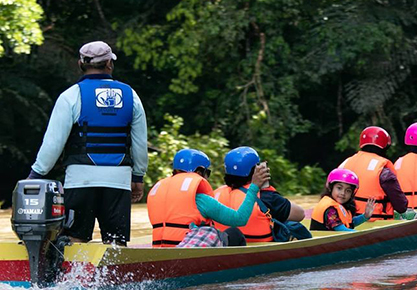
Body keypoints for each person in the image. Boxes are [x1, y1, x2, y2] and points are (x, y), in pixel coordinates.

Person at [26, 41, 148, 246]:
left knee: (75, 239)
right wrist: (138, 175)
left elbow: (53, 142)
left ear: (80, 64)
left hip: (80, 180)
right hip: (118, 180)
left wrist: (36, 175)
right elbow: (139, 142)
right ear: (109, 63)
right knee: (116, 243)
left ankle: (72, 278)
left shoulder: (71, 96)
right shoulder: (131, 95)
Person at [147, 148, 270, 247]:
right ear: (199, 172)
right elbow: (240, 219)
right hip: (188, 251)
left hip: (161, 247)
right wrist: (254, 187)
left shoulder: (159, 192)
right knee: (234, 233)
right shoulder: (200, 199)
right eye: (207, 173)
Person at [212, 146, 311, 243]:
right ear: (256, 171)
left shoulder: (215, 194)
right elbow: (300, 214)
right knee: (291, 225)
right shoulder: (266, 196)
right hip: (261, 242)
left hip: (226, 242)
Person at [338, 126, 417, 221]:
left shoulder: (345, 163)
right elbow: (401, 206)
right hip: (374, 222)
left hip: (344, 220)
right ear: (384, 147)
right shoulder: (384, 172)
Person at [310, 168, 376, 232]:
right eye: (339, 188)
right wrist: (364, 235)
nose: (343, 193)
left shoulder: (341, 206)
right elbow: (341, 230)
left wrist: (365, 216)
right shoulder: (330, 210)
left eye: (348, 191)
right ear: (330, 188)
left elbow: (350, 223)